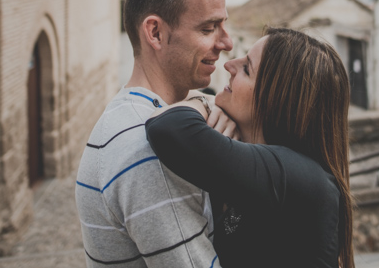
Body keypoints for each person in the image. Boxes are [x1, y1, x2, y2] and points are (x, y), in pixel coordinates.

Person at [146, 28, 355, 268]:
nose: (229, 65)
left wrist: (204, 101)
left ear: (276, 100)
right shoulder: (272, 172)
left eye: (246, 69)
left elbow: (167, 127)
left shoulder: (298, 176)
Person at [75, 0, 235, 267]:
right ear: (156, 33)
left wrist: (204, 102)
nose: (226, 43)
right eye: (208, 28)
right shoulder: (150, 148)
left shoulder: (126, 116)